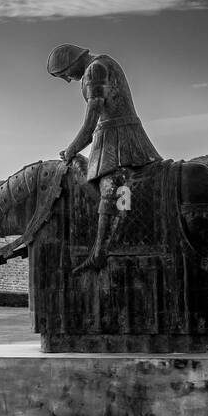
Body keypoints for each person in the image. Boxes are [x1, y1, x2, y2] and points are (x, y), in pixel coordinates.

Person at [48, 43, 162, 274]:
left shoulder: (95, 69)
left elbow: (92, 119)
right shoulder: (102, 63)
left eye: (66, 74)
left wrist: (73, 148)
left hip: (119, 139)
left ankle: (100, 252)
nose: (69, 79)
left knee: (111, 186)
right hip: (112, 135)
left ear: (72, 62)